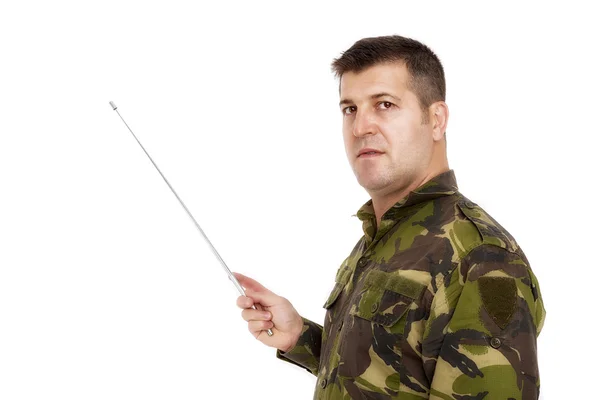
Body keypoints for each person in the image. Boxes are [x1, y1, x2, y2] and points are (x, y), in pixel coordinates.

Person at [234, 35, 546, 399]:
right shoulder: (384, 236)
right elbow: (390, 373)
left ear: (436, 120)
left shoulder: (481, 258)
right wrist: (299, 337)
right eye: (349, 108)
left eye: (384, 104)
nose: (360, 127)